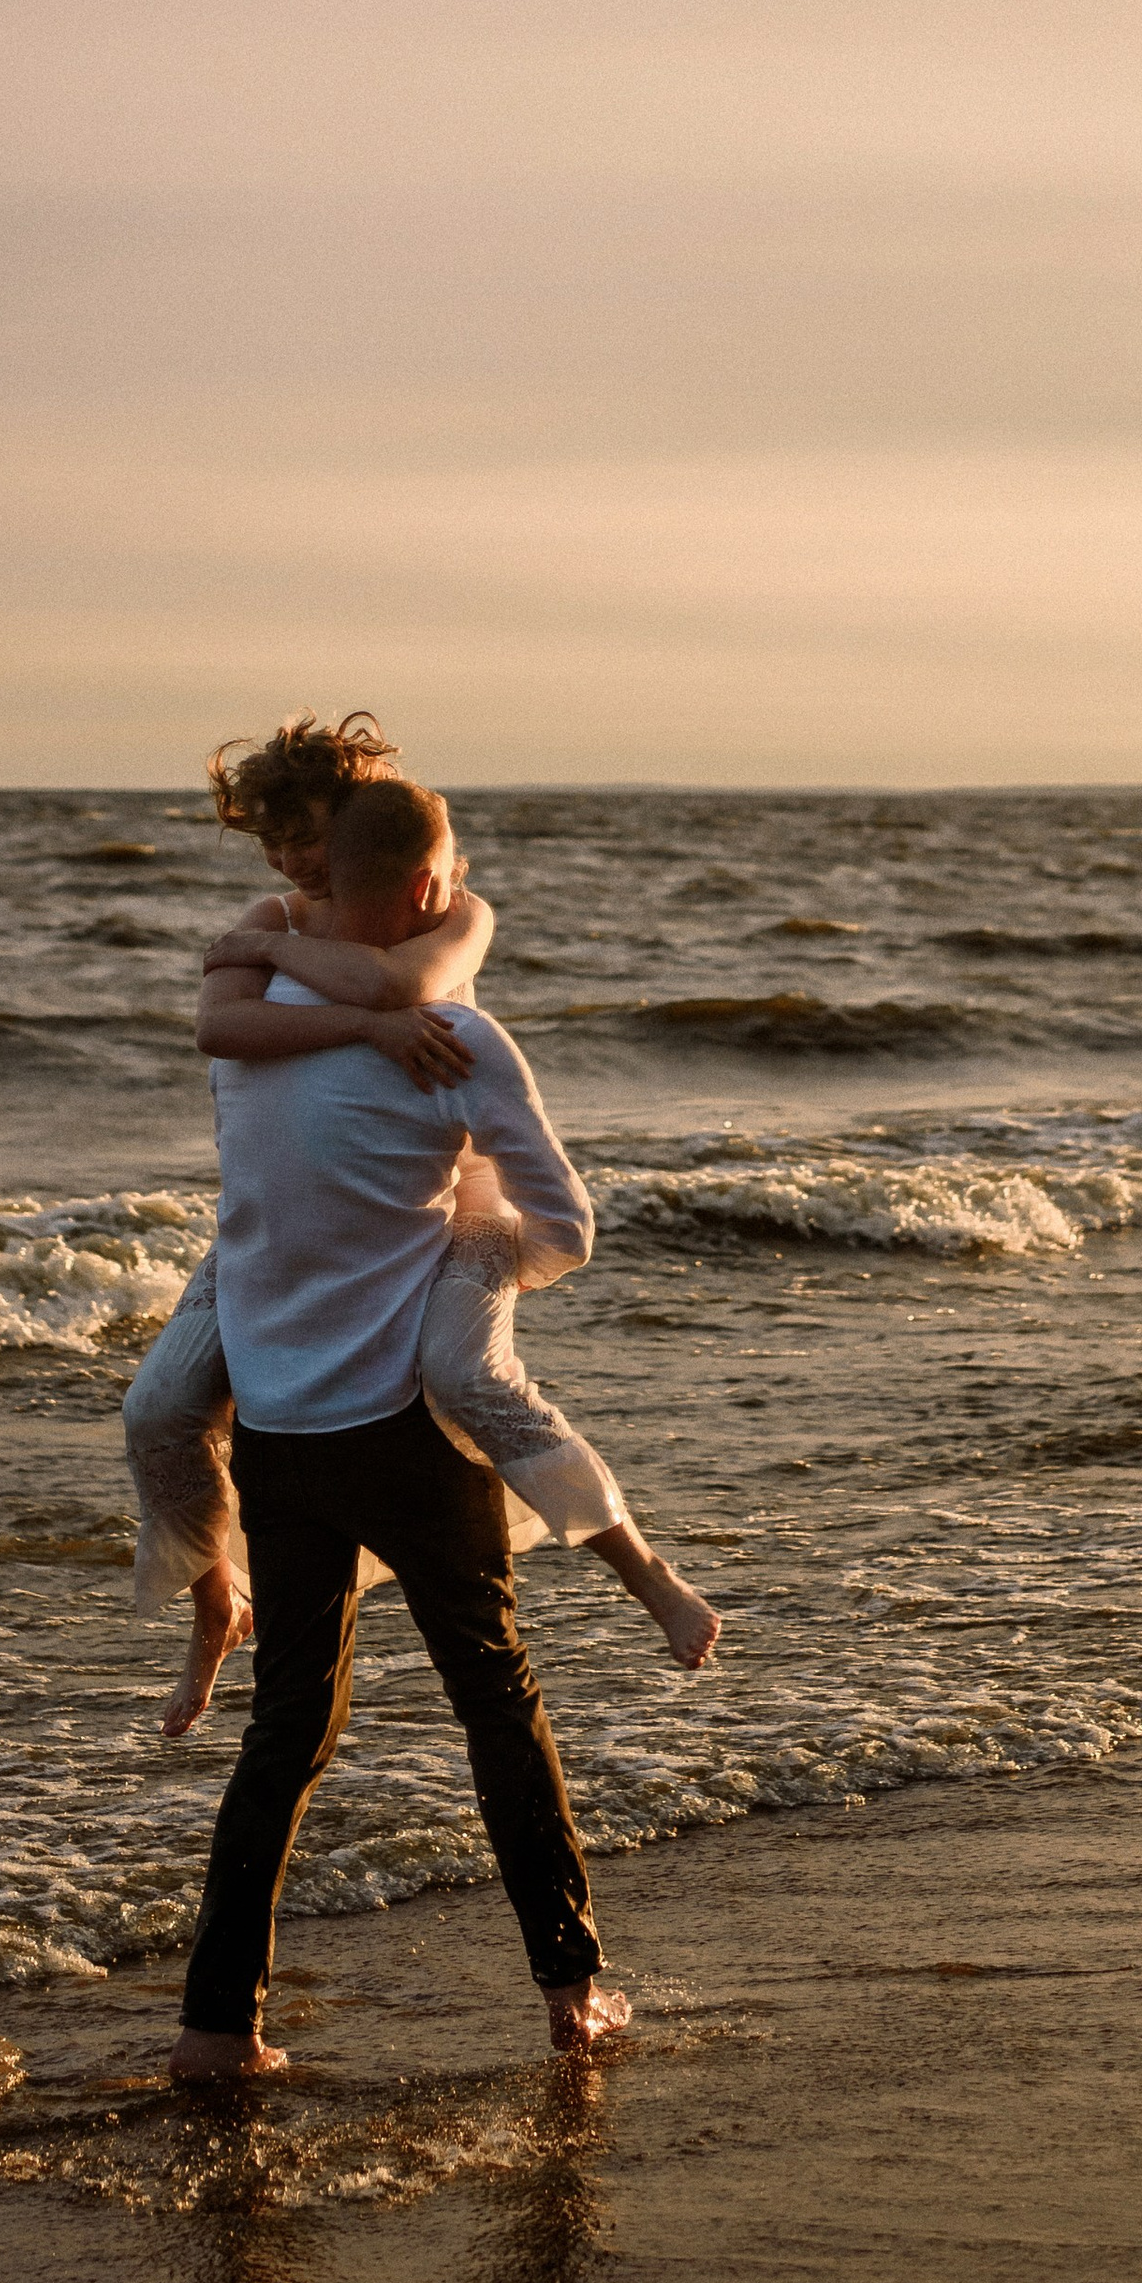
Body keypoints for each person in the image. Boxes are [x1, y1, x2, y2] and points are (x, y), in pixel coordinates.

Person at [123, 713, 718, 1736]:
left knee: (470, 1378)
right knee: (157, 1410)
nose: (288, 863)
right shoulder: (277, 912)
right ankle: (219, 1607)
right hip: (279, 1228)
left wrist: (281, 957)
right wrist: (349, 1014)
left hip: (449, 1221)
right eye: (269, 846)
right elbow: (222, 1026)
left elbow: (400, 982)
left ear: (359, 812)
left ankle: (644, 1569)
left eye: (303, 834)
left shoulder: (451, 909)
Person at [170, 772, 627, 2074]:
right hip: (404, 1434)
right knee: (496, 1698)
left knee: (287, 1728)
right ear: (430, 889)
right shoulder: (458, 1040)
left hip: (277, 1435)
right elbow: (568, 1230)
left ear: (317, 881)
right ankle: (570, 1991)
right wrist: (468, 1246)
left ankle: (215, 2025)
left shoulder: (253, 1023)